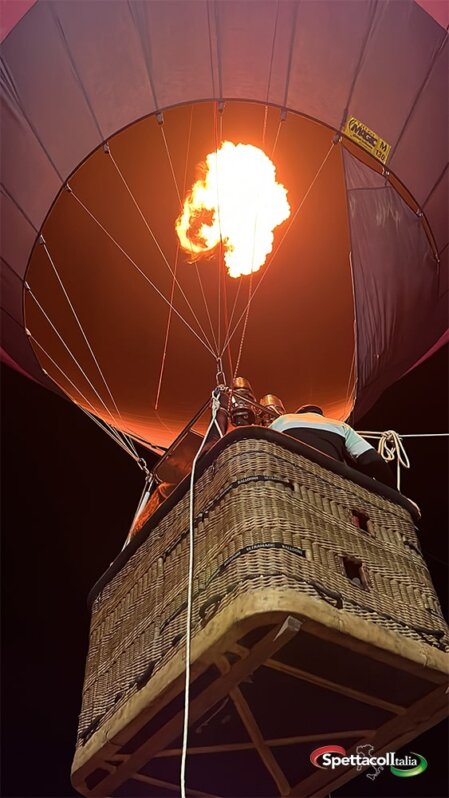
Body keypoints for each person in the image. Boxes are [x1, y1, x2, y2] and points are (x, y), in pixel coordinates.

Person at [270, 404, 395, 488]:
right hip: (331, 486)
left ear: (299, 413)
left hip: (290, 481)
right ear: (321, 415)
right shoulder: (339, 425)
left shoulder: (283, 420)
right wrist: (394, 493)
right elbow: (373, 459)